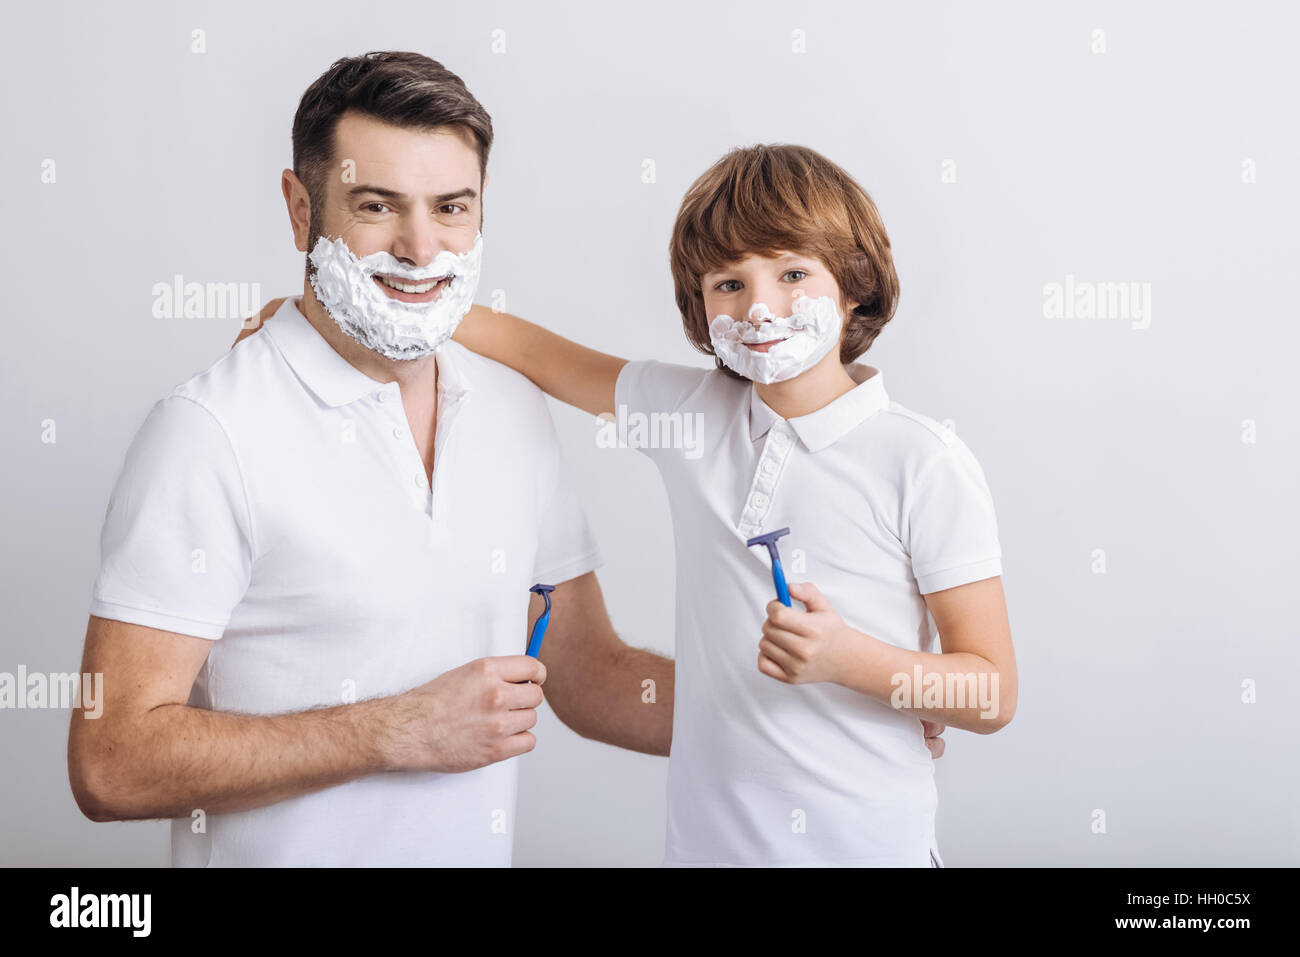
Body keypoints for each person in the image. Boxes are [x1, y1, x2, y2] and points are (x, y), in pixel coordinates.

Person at [66, 51, 676, 866]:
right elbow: (111, 764)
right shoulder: (211, 431)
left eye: (451, 207)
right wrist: (399, 730)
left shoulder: (512, 409)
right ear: (299, 209)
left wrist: (829, 705)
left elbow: (592, 676)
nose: (421, 248)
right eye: (377, 205)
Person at [447, 143, 1017, 866]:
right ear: (699, 305)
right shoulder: (688, 415)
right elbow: (529, 350)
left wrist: (849, 658)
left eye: (793, 273)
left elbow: (993, 693)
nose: (759, 307)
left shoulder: (923, 461)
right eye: (728, 283)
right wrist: (324, 319)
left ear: (853, 286)